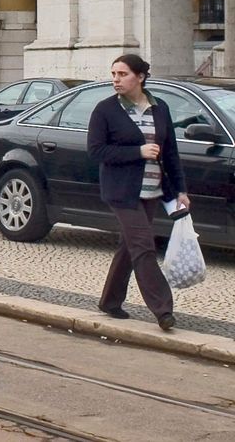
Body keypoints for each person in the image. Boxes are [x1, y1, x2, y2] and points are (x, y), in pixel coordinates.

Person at [87, 53, 189, 331]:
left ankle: (109, 301)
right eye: (113, 74)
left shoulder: (160, 108)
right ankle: (163, 309)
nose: (116, 80)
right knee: (143, 245)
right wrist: (138, 152)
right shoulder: (105, 110)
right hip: (121, 191)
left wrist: (180, 189)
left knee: (129, 247)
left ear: (140, 77)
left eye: (122, 74)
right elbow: (96, 151)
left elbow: (171, 153)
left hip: (152, 190)